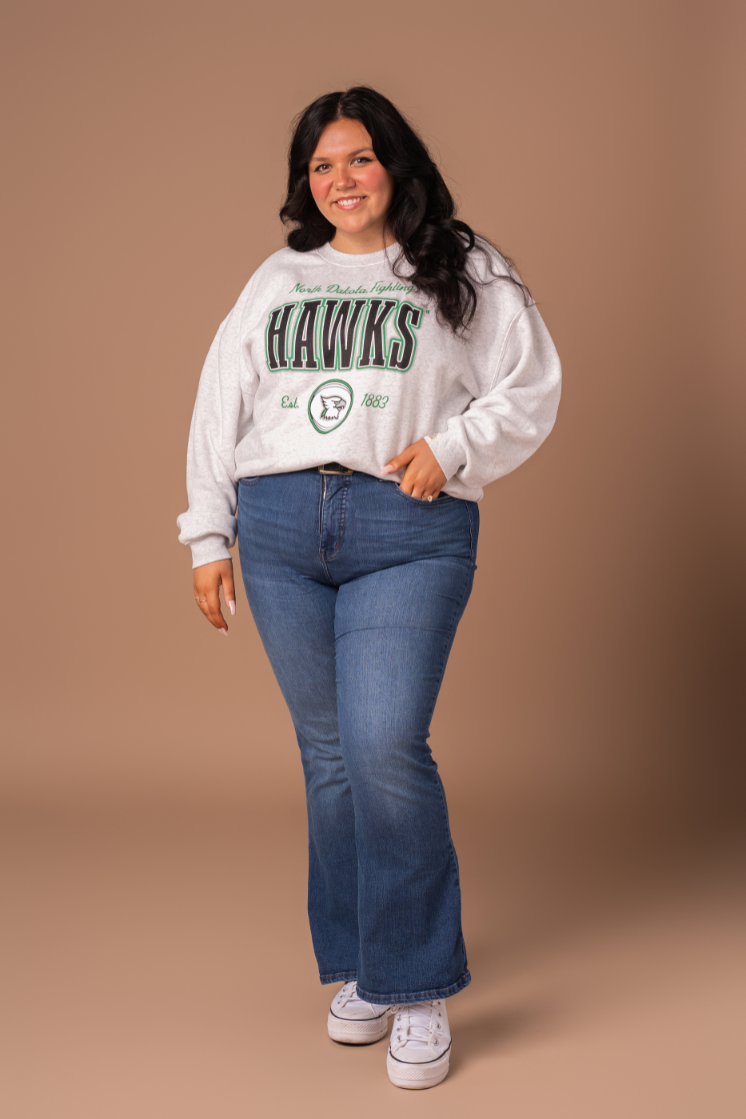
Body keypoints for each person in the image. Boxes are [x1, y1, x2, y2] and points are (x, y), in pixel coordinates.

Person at [176, 86, 561, 1090]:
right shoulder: (278, 280)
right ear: (304, 185)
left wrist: (455, 443)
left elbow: (529, 385)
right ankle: (367, 968)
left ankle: (418, 984)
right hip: (277, 531)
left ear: (393, 163)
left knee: (385, 745)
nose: (340, 181)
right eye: (319, 167)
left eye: (356, 159)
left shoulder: (461, 269)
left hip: (406, 525)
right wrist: (204, 535)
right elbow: (221, 409)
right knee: (330, 755)